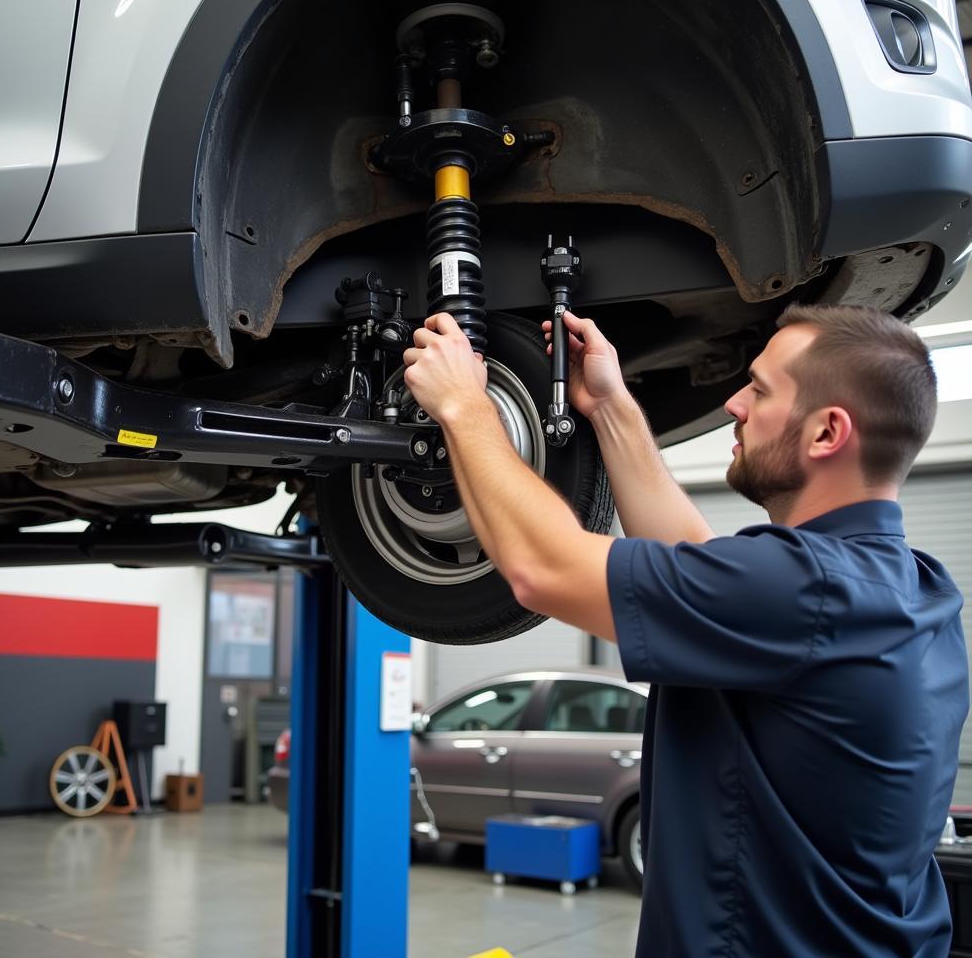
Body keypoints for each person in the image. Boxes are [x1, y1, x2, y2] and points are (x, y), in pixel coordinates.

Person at [402, 302, 969, 957]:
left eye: (758, 389)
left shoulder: (806, 589)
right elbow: (696, 566)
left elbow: (541, 567)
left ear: (826, 433)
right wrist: (611, 408)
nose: (734, 404)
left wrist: (464, 407)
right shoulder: (914, 587)